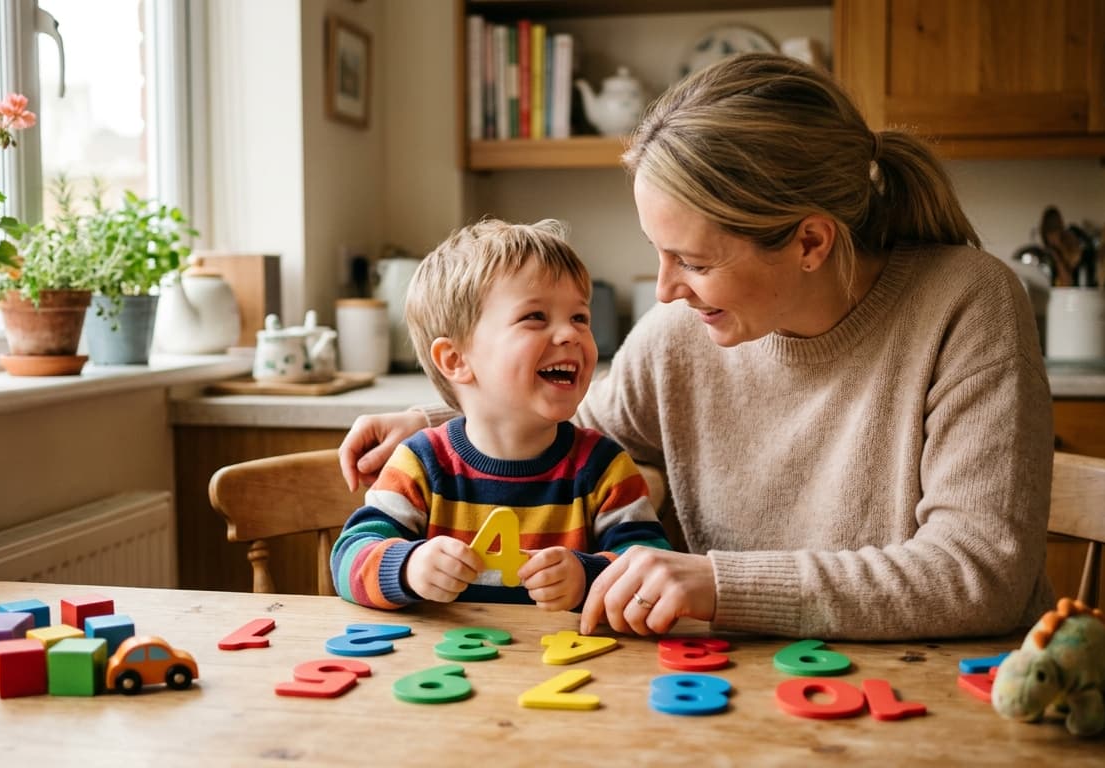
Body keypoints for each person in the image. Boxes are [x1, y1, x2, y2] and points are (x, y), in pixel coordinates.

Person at [338, 53, 1054, 641]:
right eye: (658, 253)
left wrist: (717, 584)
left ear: (809, 241)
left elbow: (976, 575)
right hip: (732, 691)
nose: (665, 291)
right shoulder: (681, 335)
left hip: (944, 695)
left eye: (696, 262)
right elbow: (564, 434)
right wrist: (440, 421)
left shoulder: (968, 304)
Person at [329, 218, 673, 612]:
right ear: (456, 360)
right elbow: (347, 560)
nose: (571, 334)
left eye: (580, 317)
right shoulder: (421, 464)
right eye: (536, 317)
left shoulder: (605, 469)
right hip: (444, 669)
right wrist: (407, 567)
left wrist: (587, 576)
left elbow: (649, 567)